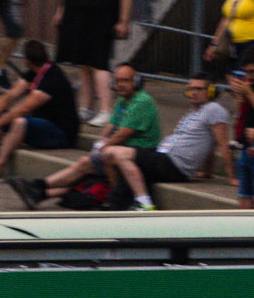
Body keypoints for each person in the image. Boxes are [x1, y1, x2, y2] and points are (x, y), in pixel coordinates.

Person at [81, 74, 226, 208]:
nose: (193, 93)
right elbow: (209, 146)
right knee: (111, 157)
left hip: (173, 164)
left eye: (199, 89)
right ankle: (116, 202)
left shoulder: (214, 109)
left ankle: (144, 204)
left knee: (115, 153)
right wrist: (207, 172)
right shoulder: (194, 111)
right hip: (163, 156)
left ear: (212, 91)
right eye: (190, 89)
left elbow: (221, 143)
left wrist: (231, 176)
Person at [0, 38, 72, 180]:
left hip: (60, 133)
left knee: (19, 122)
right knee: (2, 115)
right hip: (42, 125)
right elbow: (10, 95)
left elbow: (24, 108)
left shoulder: (53, 78)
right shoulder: (34, 71)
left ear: (27, 60)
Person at [55, 0, 132, 125]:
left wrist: (124, 21)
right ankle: (85, 107)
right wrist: (61, 10)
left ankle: (107, 109)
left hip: (102, 16)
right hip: (77, 14)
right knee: (83, 63)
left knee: (99, 62)